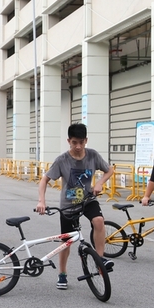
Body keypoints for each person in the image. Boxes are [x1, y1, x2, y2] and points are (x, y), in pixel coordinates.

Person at [36, 123, 115, 289]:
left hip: (87, 200)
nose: (78, 146)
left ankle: (99, 260)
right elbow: (44, 180)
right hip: (68, 205)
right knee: (67, 241)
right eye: (74, 142)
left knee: (99, 221)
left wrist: (100, 183)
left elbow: (109, 170)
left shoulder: (92, 155)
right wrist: (41, 201)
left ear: (86, 140)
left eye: (81, 142)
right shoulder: (62, 160)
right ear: (68, 141)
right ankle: (62, 274)